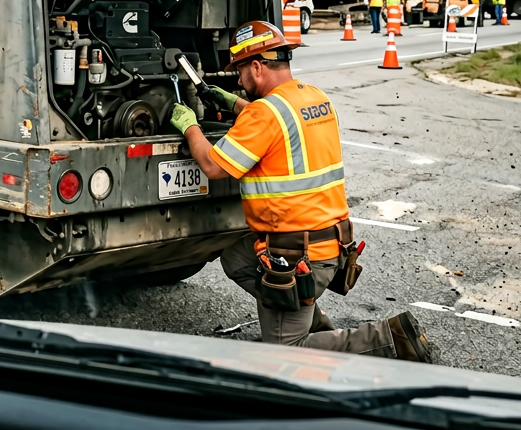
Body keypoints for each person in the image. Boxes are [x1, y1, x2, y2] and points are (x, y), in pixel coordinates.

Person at [168, 20, 433, 361]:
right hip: (334, 244)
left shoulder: (265, 113)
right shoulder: (313, 98)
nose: (238, 79)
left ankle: (390, 339)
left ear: (257, 67)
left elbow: (214, 166)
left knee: (286, 352)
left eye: (240, 71)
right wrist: (230, 101)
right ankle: (313, 322)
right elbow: (274, 121)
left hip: (296, 254)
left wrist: (189, 126)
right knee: (236, 258)